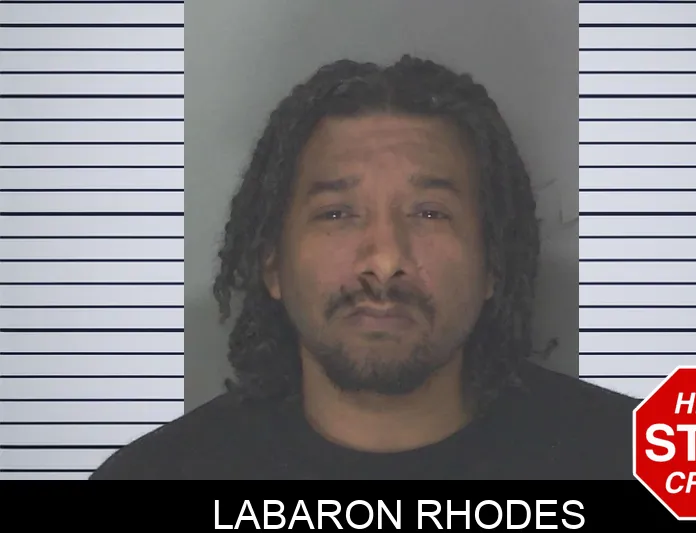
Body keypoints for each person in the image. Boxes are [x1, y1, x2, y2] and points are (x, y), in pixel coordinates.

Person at [91, 55, 639, 480]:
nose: (384, 260)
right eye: (337, 213)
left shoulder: (638, 463)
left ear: (493, 264)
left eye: (429, 213)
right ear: (272, 263)